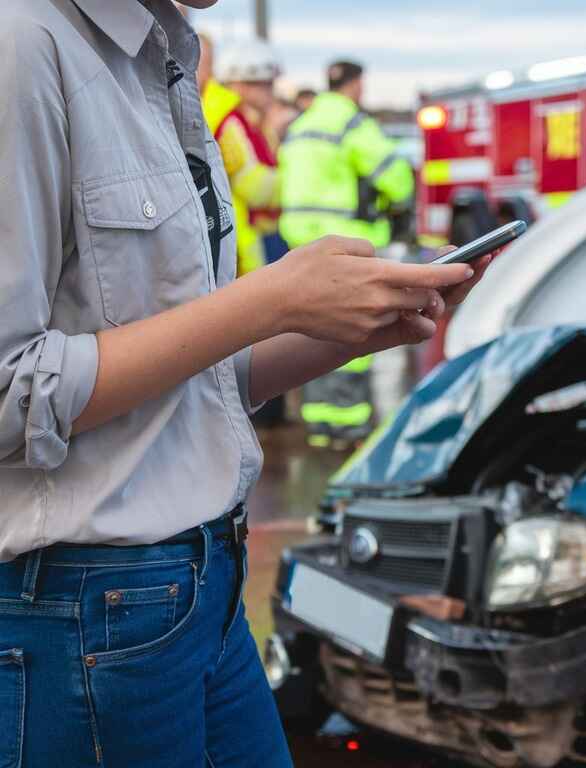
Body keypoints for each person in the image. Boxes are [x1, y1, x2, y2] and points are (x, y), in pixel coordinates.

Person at [0, 1, 495, 766]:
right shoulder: (22, 43)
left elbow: (188, 380)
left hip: (206, 594)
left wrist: (354, 327)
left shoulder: (158, 58)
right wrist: (268, 299)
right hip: (85, 613)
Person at [279, 59, 415, 448]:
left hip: (300, 242)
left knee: (310, 328)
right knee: (351, 333)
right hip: (348, 241)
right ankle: (350, 426)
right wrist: (399, 200)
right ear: (356, 86)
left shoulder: (301, 126)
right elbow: (396, 177)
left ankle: (321, 427)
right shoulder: (352, 124)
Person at [201, 39, 284, 275]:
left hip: (261, 232)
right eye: (264, 84)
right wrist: (294, 182)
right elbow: (253, 187)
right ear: (240, 84)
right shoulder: (230, 122)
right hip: (244, 240)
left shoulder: (251, 121)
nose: (271, 90)